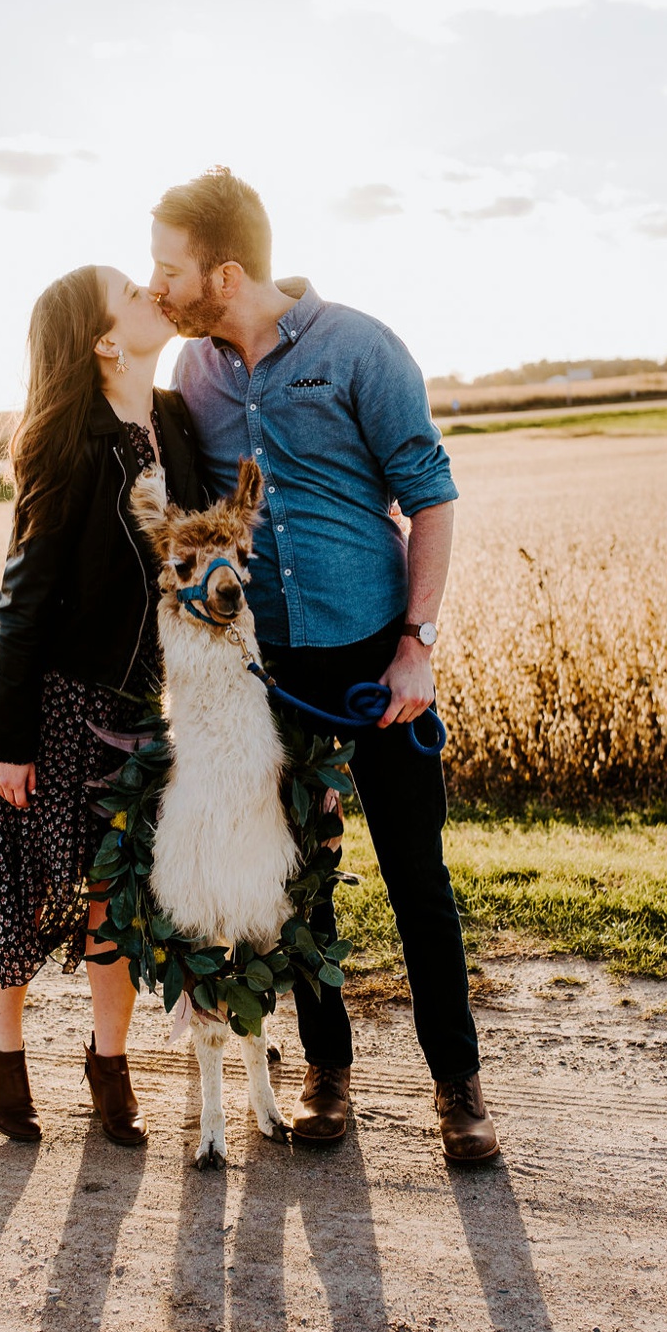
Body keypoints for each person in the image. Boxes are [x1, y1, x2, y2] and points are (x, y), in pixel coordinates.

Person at [148, 167, 498, 1162]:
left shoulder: (359, 347)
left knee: (417, 877)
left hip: (375, 662)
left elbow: (431, 494)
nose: (157, 287)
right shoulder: (196, 380)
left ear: (224, 272)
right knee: (303, 879)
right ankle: (326, 1072)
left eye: (168, 270)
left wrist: (415, 649)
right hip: (276, 675)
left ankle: (459, 1088)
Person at [0, 264, 206, 1146]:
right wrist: (8, 744)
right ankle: (5, 1049)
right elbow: (19, 604)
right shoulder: (68, 441)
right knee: (23, 892)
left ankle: (109, 1062)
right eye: (132, 292)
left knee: (115, 894)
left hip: (134, 701)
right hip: (47, 702)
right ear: (106, 340)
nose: (151, 293)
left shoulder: (172, 420)